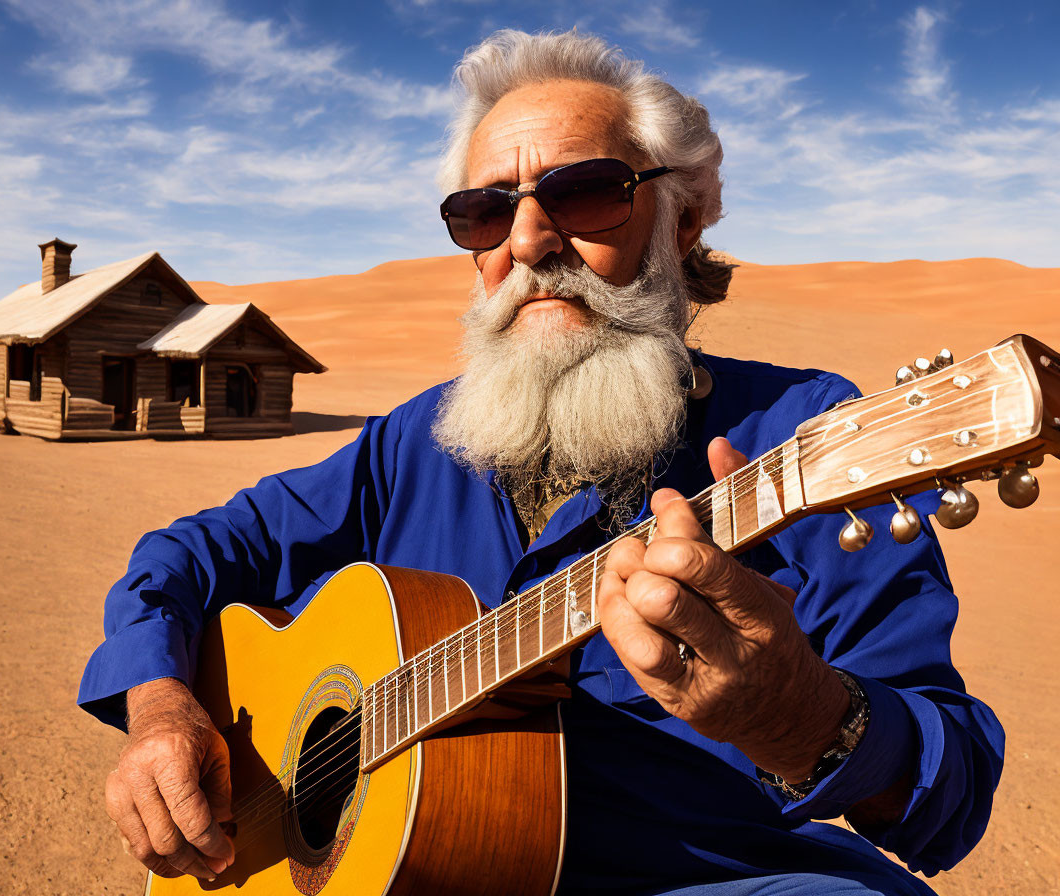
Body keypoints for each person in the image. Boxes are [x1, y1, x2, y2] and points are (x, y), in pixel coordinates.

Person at [80, 30, 1004, 896]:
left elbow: (950, 795)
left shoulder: (801, 438)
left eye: (587, 192)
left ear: (680, 220)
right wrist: (162, 707)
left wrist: (801, 716)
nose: (529, 242)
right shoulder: (418, 441)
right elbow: (186, 557)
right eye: (484, 213)